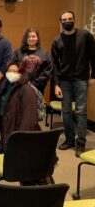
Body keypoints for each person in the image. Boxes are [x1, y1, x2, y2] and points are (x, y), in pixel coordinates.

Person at [51, 10, 95, 157]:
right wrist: (56, 84)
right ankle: (70, 140)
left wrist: (93, 75)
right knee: (66, 112)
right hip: (64, 81)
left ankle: (80, 142)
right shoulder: (57, 40)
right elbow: (55, 65)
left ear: (74, 20)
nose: (67, 21)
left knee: (81, 112)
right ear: (60, 22)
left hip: (81, 79)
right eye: (64, 20)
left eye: (70, 19)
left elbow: (93, 56)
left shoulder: (85, 36)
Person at [0, 62, 40, 148]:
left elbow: (29, 118)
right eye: (9, 71)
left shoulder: (27, 89)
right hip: (6, 124)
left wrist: (21, 137)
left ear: (21, 73)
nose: (11, 73)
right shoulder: (5, 86)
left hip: (18, 129)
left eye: (14, 71)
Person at [13, 27, 52, 94]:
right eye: (29, 37)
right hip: (20, 88)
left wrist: (33, 84)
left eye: (33, 36)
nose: (31, 39)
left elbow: (47, 72)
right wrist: (22, 82)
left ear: (37, 38)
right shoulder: (18, 52)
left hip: (38, 89)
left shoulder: (45, 54)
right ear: (26, 38)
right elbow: (13, 69)